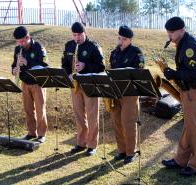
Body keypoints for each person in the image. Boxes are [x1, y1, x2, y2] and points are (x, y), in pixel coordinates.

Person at [161, 17, 196, 176]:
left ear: (182, 29)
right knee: (189, 126)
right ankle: (180, 160)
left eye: (172, 32)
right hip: (189, 89)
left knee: (194, 128)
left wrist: (175, 74)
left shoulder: (189, 45)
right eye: (168, 32)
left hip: (194, 90)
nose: (169, 36)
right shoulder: (183, 42)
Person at [61, 22, 105, 156]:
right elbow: (65, 63)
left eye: (79, 35)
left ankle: (92, 145)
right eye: (74, 35)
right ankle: (81, 143)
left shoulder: (93, 46)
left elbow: (101, 67)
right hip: (75, 85)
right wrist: (68, 73)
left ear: (84, 33)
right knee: (79, 115)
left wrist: (85, 66)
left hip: (90, 84)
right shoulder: (69, 45)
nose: (77, 38)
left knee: (92, 116)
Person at [109, 25, 145, 164]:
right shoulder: (114, 53)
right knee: (117, 121)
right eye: (119, 38)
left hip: (130, 92)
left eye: (124, 39)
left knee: (128, 122)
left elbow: (140, 71)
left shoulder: (137, 53)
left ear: (130, 39)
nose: (121, 41)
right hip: (116, 92)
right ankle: (122, 150)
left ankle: (131, 152)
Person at [11, 26, 48, 143]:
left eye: (22, 41)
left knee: (40, 109)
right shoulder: (18, 49)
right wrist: (14, 70)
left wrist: (27, 63)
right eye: (18, 42)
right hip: (24, 82)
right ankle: (32, 133)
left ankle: (41, 134)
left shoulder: (38, 47)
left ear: (28, 37)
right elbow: (13, 64)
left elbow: (44, 65)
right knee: (28, 109)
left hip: (38, 83)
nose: (20, 44)